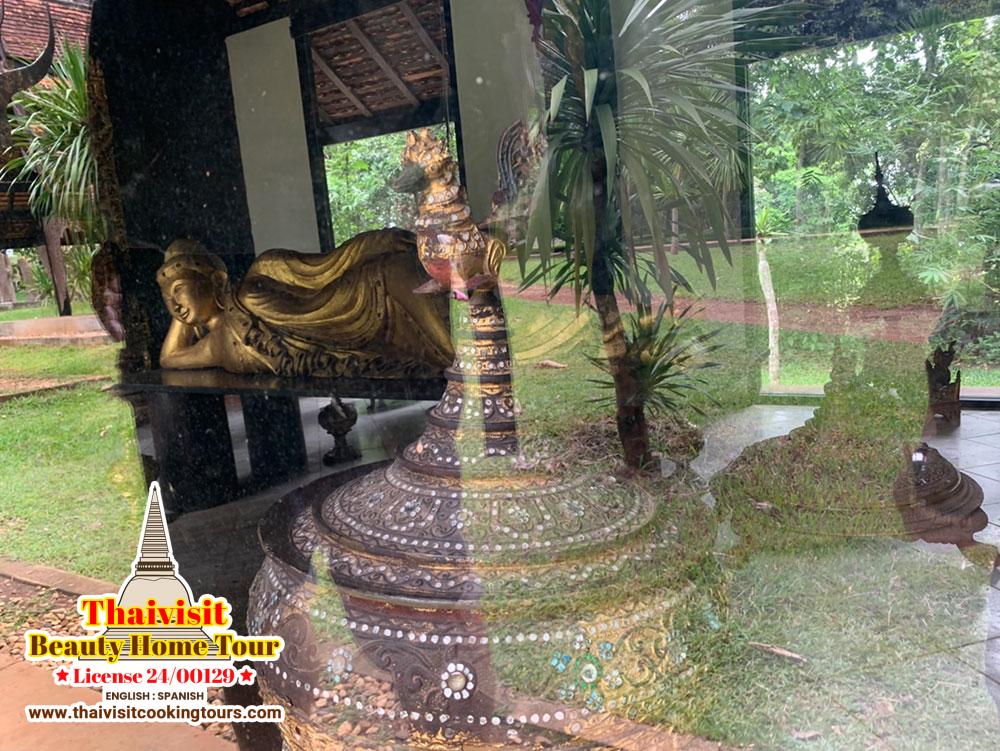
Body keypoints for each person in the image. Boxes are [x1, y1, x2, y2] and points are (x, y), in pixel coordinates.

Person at [156, 229, 453, 378]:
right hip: (363, 346)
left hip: (372, 294)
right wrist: (182, 313)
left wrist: (379, 240)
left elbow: (327, 268)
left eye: (180, 290)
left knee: (457, 358)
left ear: (218, 280)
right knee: (451, 363)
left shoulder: (256, 282)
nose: (174, 304)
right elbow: (169, 358)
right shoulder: (216, 345)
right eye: (167, 298)